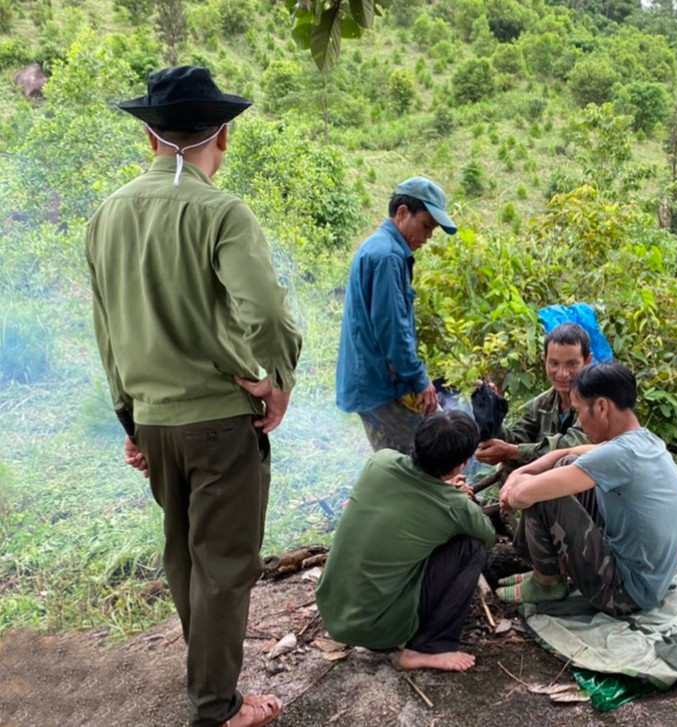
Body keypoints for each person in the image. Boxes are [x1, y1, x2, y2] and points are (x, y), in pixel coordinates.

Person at [85, 67, 302, 727]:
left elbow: (106, 331)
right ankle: (216, 706)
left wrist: (131, 419)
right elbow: (266, 312)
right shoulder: (221, 212)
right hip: (218, 421)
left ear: (150, 137)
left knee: (183, 554)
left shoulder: (107, 215)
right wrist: (277, 379)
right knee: (224, 563)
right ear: (223, 136)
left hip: (153, 421)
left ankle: (210, 685)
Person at [495, 363, 677, 615]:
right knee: (565, 465)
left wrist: (512, 491)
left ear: (601, 407)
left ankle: (546, 582)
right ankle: (547, 568)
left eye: (578, 411)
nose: (579, 421)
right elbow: (567, 452)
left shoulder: (618, 454)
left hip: (626, 594)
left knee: (544, 495)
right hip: (648, 580)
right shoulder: (643, 441)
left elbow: (523, 495)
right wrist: (521, 472)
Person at [316, 410, 496, 672]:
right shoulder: (454, 506)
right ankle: (427, 648)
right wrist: (461, 499)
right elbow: (488, 537)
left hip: (333, 611)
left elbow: (414, 495)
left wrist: (447, 491)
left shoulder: (380, 461)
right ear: (460, 465)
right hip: (377, 630)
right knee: (471, 549)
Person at [335, 177, 457, 455]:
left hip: (371, 380)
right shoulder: (388, 256)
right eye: (426, 225)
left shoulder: (379, 248)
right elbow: (392, 328)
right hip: (379, 383)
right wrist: (418, 378)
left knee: (391, 460)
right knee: (430, 454)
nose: (428, 236)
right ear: (402, 212)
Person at [475, 322, 592, 467]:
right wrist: (491, 412)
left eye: (571, 364)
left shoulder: (594, 402)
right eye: (554, 364)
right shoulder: (542, 403)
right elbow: (514, 440)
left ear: (587, 361)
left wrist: (513, 452)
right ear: (544, 360)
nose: (562, 373)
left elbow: (571, 447)